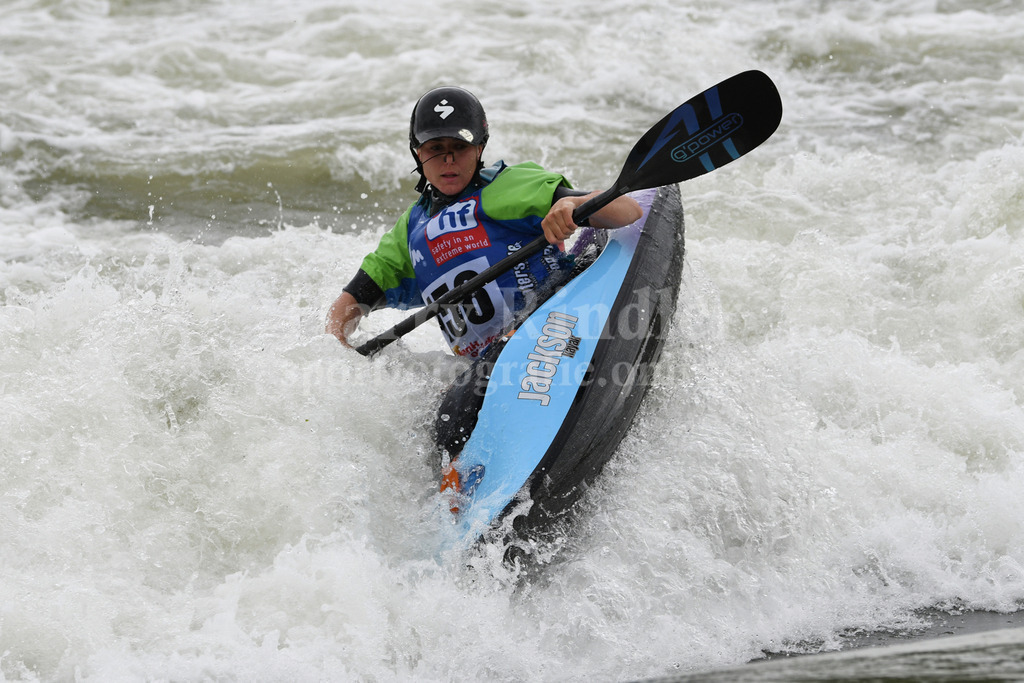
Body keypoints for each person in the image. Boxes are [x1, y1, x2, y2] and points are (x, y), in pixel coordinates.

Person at [326, 86, 642, 357]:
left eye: (460, 147)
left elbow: (627, 210)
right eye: (436, 149)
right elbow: (353, 299)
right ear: (418, 154)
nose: (448, 160)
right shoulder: (410, 230)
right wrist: (336, 345)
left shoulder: (511, 186)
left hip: (556, 322)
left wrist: (571, 204)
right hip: (487, 369)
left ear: (480, 148)